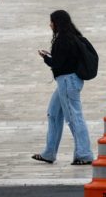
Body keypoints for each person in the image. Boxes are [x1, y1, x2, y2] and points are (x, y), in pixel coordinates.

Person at [32, 10, 94, 165]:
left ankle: (84, 155)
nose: (50, 24)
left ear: (57, 22)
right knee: (53, 114)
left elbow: (57, 63)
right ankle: (49, 153)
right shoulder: (72, 37)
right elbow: (65, 61)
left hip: (67, 82)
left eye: (52, 21)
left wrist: (45, 57)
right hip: (67, 82)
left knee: (74, 117)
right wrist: (51, 57)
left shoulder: (63, 40)